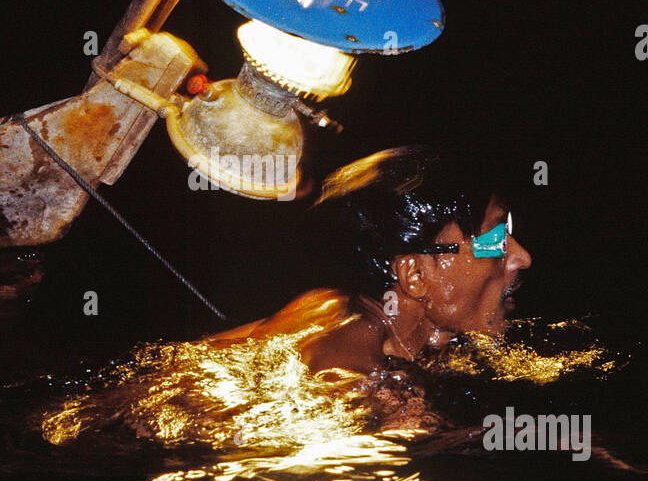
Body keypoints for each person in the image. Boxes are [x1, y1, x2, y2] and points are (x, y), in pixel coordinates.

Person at [204, 147, 532, 377]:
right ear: (415, 275)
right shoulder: (352, 363)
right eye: (494, 240)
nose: (521, 258)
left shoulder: (328, 305)